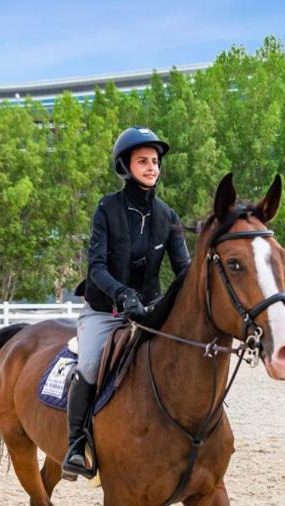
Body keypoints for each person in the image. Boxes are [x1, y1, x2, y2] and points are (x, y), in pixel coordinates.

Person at [63, 126, 191, 479]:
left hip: (149, 311)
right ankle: (76, 445)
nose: (151, 167)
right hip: (105, 309)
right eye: (143, 161)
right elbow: (97, 267)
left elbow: (184, 270)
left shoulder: (168, 216)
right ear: (126, 166)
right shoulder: (107, 208)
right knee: (89, 365)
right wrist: (122, 294)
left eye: (155, 161)